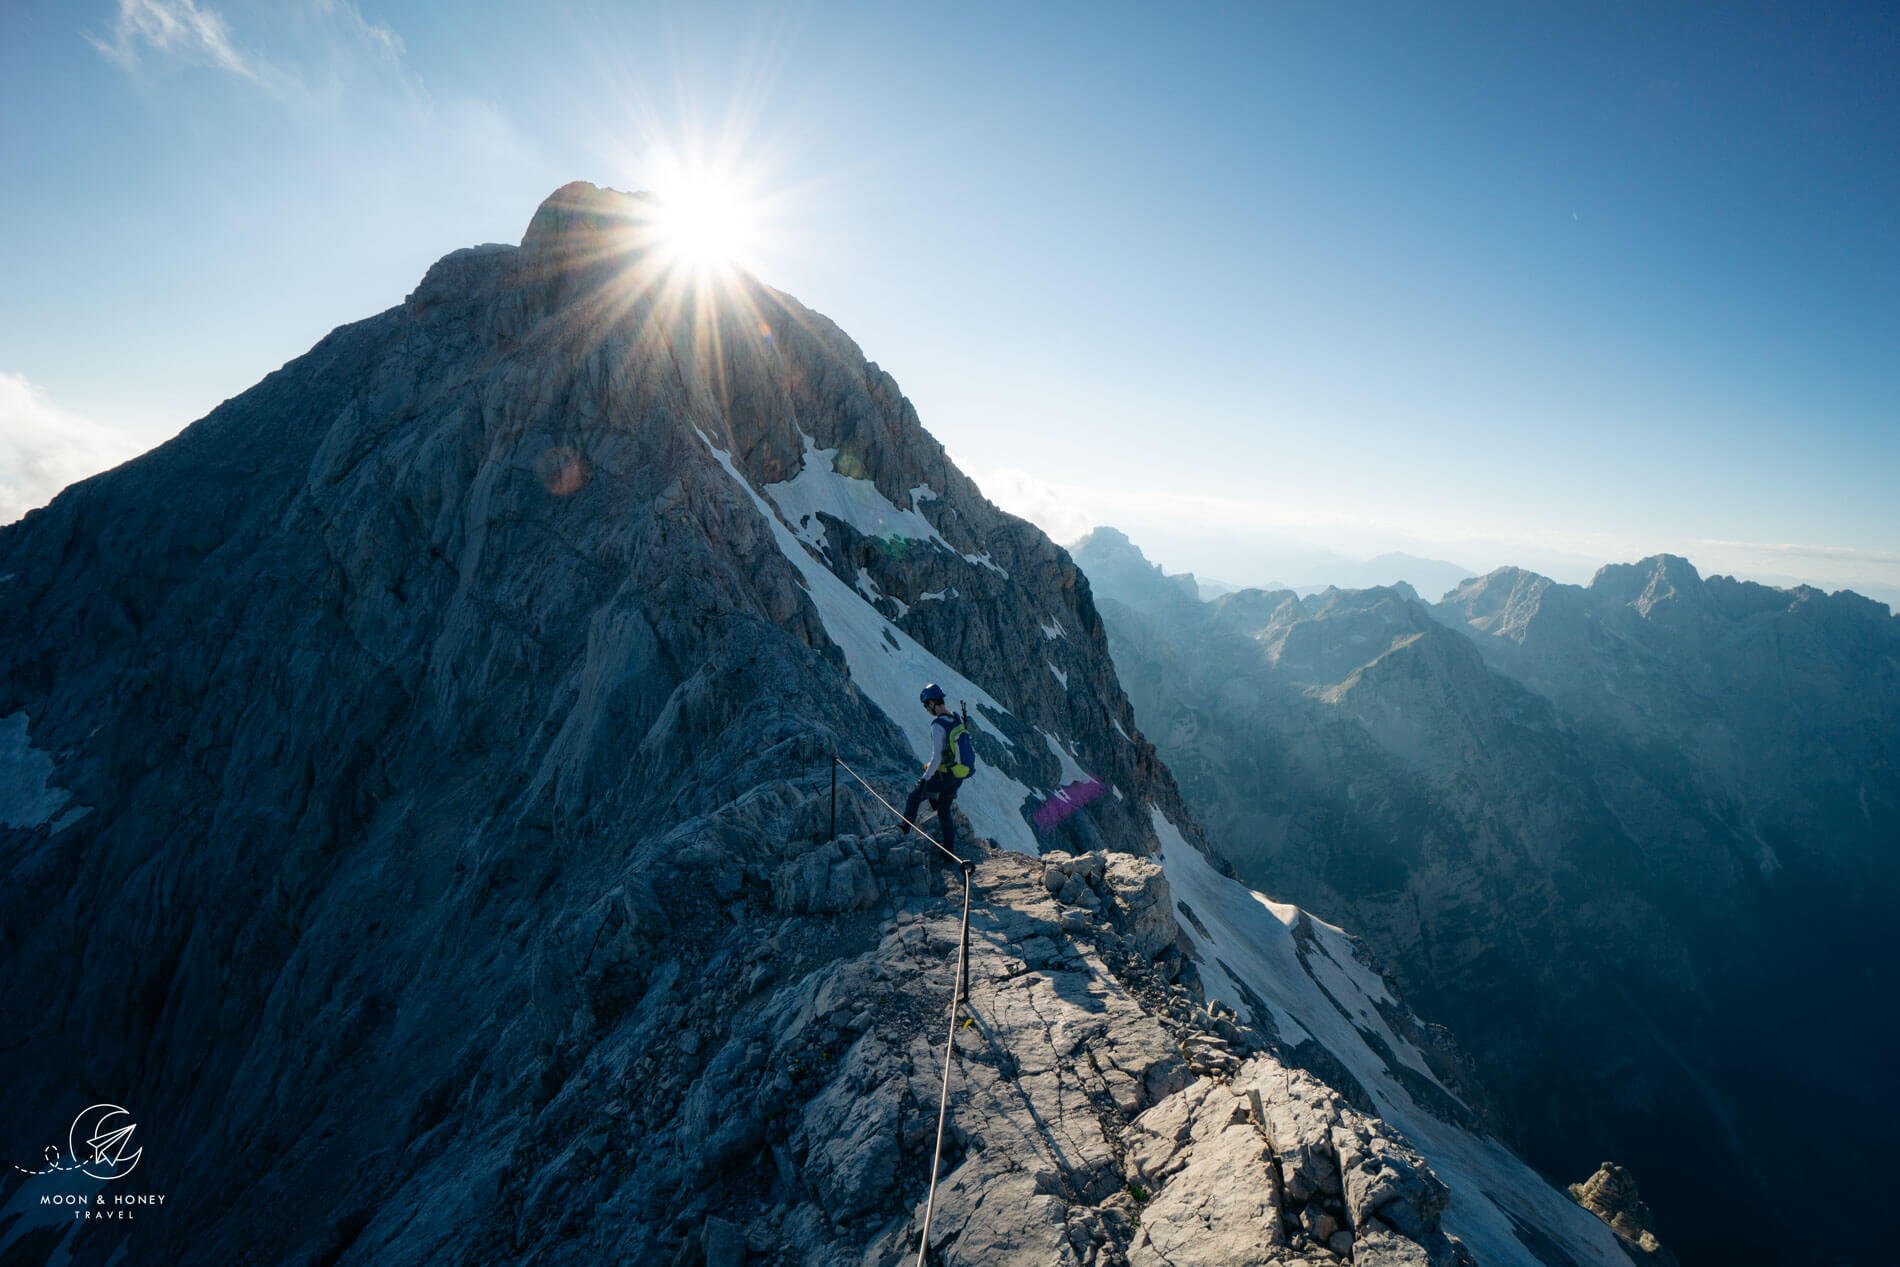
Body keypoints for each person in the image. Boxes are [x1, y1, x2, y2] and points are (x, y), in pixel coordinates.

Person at [901, 683, 973, 853]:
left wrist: (924, 779)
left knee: (914, 797)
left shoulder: (938, 725)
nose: (926, 709)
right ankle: (949, 851)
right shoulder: (955, 719)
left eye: (926, 705)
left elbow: (937, 756)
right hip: (958, 775)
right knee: (943, 809)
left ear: (933, 703)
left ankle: (903, 828)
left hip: (947, 775)